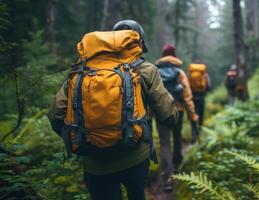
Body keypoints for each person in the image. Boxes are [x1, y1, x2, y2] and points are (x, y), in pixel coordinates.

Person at [47, 20, 177, 200]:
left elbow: (56, 115)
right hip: (135, 158)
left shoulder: (82, 69)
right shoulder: (145, 69)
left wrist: (85, 136)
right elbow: (168, 114)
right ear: (139, 42)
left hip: (95, 165)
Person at [155, 44, 199, 191]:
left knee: (165, 143)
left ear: (162, 56)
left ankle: (167, 179)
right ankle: (177, 167)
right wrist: (192, 115)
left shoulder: (155, 72)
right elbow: (187, 96)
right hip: (177, 111)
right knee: (177, 136)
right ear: (174, 56)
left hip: (161, 112)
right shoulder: (179, 72)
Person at [187, 60, 211, 143]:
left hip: (192, 97)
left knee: (193, 114)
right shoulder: (204, 74)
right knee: (201, 114)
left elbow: (186, 86)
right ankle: (200, 133)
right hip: (201, 97)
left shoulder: (189, 74)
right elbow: (209, 86)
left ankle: (194, 134)